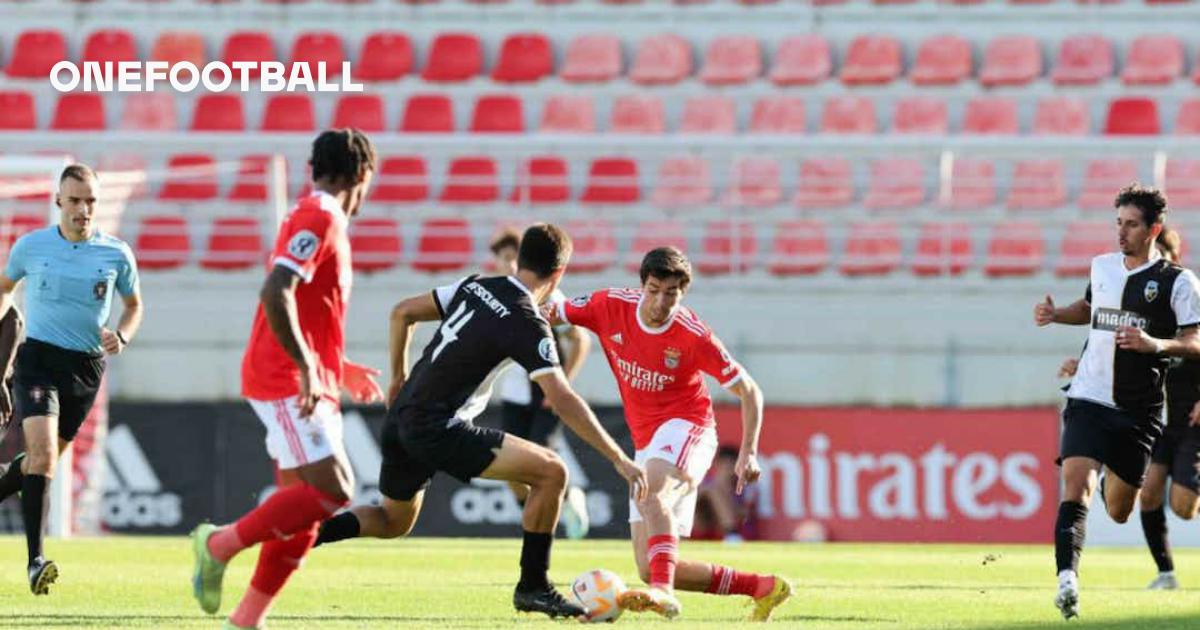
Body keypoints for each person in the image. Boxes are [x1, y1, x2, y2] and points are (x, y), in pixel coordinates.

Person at [312, 223, 646, 619]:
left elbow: (402, 312)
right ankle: (533, 587)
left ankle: (299, 536)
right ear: (559, 274)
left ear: (519, 260)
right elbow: (561, 398)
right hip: (438, 426)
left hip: (402, 416)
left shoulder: (474, 285)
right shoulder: (527, 319)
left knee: (391, 521)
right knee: (552, 473)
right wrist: (617, 458)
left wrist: (398, 378)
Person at [189, 129, 385, 630]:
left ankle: (246, 621)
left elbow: (308, 310)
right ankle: (218, 544)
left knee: (303, 515)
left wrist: (337, 369)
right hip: (284, 378)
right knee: (336, 486)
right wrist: (304, 368)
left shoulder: (319, 217)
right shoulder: (319, 217)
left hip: (304, 376)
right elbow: (277, 290)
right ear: (362, 175)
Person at [548, 246, 792, 621]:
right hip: (647, 441)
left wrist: (749, 452)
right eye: (654, 289)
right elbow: (554, 310)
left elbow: (749, 391)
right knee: (650, 565)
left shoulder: (693, 335)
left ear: (684, 291)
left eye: (672, 293)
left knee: (653, 493)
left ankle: (662, 593)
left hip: (689, 428)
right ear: (642, 285)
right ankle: (762, 587)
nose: (661, 301)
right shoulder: (608, 305)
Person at [1034, 184, 1200, 619]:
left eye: (1131, 225)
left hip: (1138, 413)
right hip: (1089, 399)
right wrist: (1056, 316)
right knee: (1075, 486)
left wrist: (1154, 344)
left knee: (1120, 508)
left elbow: (1195, 341)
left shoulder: (1178, 283)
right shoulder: (1103, 266)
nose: (1121, 233)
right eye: (1118, 223)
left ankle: (1115, 478)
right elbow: (1090, 309)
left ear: (1153, 229)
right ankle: (1066, 580)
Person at [0, 164, 143, 594]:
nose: (83, 208)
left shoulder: (116, 253)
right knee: (41, 455)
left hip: (86, 368)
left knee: (40, 464)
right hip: (38, 359)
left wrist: (122, 335)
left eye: (90, 201)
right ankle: (35, 561)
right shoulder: (31, 247)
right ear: (58, 201)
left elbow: (135, 306)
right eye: (75, 199)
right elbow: (4, 288)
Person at [490, 228, 592, 538]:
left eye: (513, 258)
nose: (508, 265)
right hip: (514, 395)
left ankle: (548, 520)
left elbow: (580, 339)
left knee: (537, 463)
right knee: (510, 469)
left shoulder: (548, 294)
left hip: (545, 395)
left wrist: (563, 384)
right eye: (503, 258)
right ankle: (549, 511)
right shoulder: (495, 294)